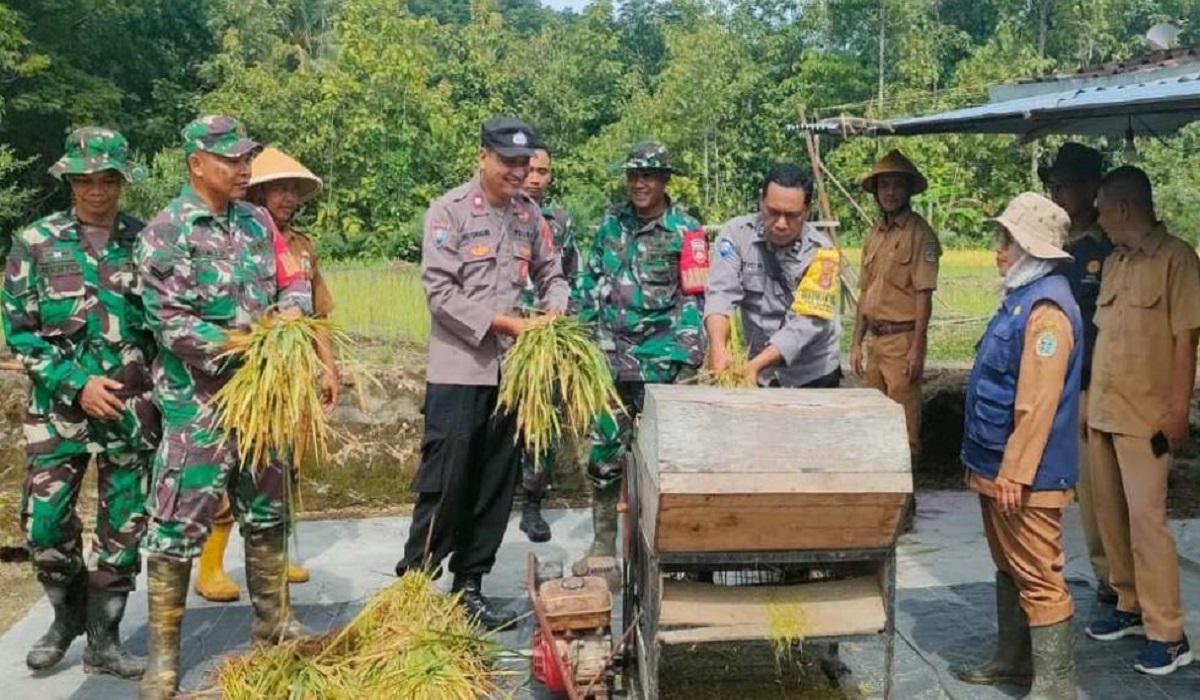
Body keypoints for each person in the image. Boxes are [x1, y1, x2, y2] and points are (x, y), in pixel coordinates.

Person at [136, 116, 316, 699]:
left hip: (263, 401)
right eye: (232, 161)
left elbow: (294, 280)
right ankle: (163, 658)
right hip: (200, 404)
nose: (244, 170)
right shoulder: (168, 231)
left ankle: (275, 626)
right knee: (177, 525)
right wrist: (243, 338)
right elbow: (169, 323)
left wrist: (290, 312)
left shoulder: (259, 222)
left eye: (246, 160)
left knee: (266, 512)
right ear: (196, 163)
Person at [394, 117, 569, 630]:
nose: (518, 172)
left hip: (513, 374)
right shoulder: (448, 213)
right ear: (483, 158)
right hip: (459, 370)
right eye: (508, 162)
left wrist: (553, 311)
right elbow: (441, 294)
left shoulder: (529, 217)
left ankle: (470, 586)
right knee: (445, 483)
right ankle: (415, 590)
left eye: (524, 163)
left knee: (496, 484)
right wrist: (508, 323)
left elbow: (552, 274)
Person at [1, 128, 157, 680]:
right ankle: (65, 616)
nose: (96, 190)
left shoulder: (147, 241)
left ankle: (106, 639)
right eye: (85, 180)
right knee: (45, 526)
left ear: (122, 181)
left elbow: (167, 326)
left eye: (107, 179)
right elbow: (20, 333)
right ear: (69, 181)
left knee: (124, 526)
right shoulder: (36, 242)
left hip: (130, 411)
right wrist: (76, 383)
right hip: (60, 411)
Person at [191, 146, 338, 602]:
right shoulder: (232, 241)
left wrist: (328, 367)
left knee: (283, 468)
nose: (289, 198)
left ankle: (276, 554)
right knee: (228, 469)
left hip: (291, 377)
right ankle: (210, 563)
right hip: (240, 379)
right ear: (256, 191)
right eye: (280, 189)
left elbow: (319, 314)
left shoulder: (303, 247)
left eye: (294, 191)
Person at [952, 193, 1081, 700]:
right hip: (995, 464)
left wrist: (1014, 472)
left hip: (1026, 475)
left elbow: (1037, 403)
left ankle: (1055, 685)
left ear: (1032, 248)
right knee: (1010, 566)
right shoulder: (1021, 297)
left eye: (1006, 240)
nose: (997, 250)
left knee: (1040, 575)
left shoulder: (1047, 310)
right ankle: (1012, 663)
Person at [1084, 166, 1200, 676]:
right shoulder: (1115, 261)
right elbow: (1105, 339)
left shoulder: (1177, 260)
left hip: (1147, 417)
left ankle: (1169, 633)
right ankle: (1129, 604)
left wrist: (1178, 411)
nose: (1099, 220)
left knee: (1147, 524)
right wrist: (1090, 406)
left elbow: (1185, 340)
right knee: (1110, 516)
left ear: (1125, 209)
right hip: (1106, 412)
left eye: (1104, 209)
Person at [575, 141, 706, 571]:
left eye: (647, 175)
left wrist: (688, 357)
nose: (638, 183)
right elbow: (590, 279)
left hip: (660, 362)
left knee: (664, 457)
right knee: (605, 451)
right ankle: (602, 546)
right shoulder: (612, 222)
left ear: (665, 180)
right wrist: (581, 339)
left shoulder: (686, 229)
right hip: (610, 358)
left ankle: (666, 548)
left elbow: (695, 296)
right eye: (633, 175)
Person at [1038, 143, 1116, 606]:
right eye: (1054, 185)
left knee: (1098, 493)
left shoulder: (1107, 248)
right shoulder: (1052, 244)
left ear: (1090, 188)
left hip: (1090, 383)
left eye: (1064, 184)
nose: (1058, 193)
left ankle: (1112, 579)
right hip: (1053, 382)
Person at [850, 149, 939, 529]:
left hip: (903, 341)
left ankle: (904, 507)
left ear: (908, 190)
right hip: (876, 341)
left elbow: (924, 295)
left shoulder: (921, 236)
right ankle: (879, 501)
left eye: (896, 185)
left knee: (905, 428)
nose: (889, 192)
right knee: (873, 425)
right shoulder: (875, 234)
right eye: (883, 185)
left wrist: (918, 347)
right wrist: (855, 342)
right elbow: (864, 294)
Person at [705, 163, 841, 388]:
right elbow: (720, 293)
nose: (780, 223)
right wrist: (718, 348)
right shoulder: (736, 234)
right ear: (761, 202)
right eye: (772, 212)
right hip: (758, 373)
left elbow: (807, 322)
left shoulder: (823, 253)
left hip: (812, 373)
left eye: (792, 216)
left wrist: (757, 364)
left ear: (807, 211)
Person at [515, 144, 580, 543]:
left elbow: (571, 277)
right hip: (497, 338)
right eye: (530, 169)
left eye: (544, 171)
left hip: (542, 341)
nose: (536, 177)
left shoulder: (558, 221)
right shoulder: (495, 215)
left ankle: (532, 505)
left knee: (542, 422)